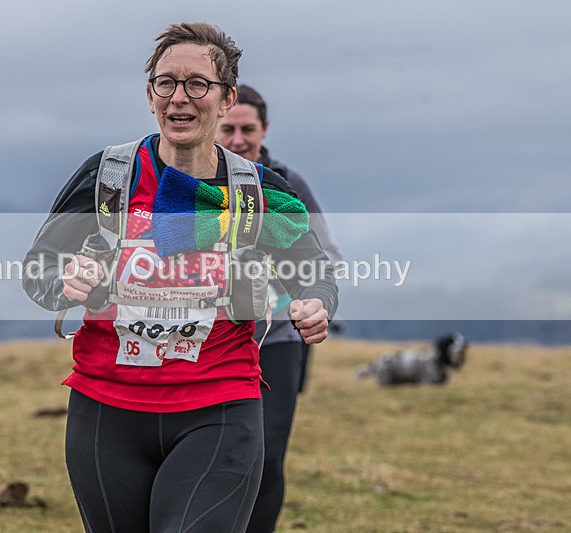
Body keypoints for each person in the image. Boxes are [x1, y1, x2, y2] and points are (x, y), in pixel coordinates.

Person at [23, 22, 337, 533]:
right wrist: (66, 282)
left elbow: (314, 272)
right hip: (106, 409)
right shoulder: (109, 177)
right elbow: (39, 269)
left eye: (197, 84)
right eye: (166, 83)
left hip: (220, 407)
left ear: (226, 97)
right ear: (150, 96)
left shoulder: (258, 190)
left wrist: (315, 303)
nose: (179, 97)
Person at [217, 84, 343, 533]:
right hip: (208, 339)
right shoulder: (192, 183)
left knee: (267, 455)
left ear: (264, 129)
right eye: (228, 129)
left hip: (277, 339)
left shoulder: (287, 184)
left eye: (247, 129)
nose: (238, 140)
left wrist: (301, 293)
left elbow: (325, 256)